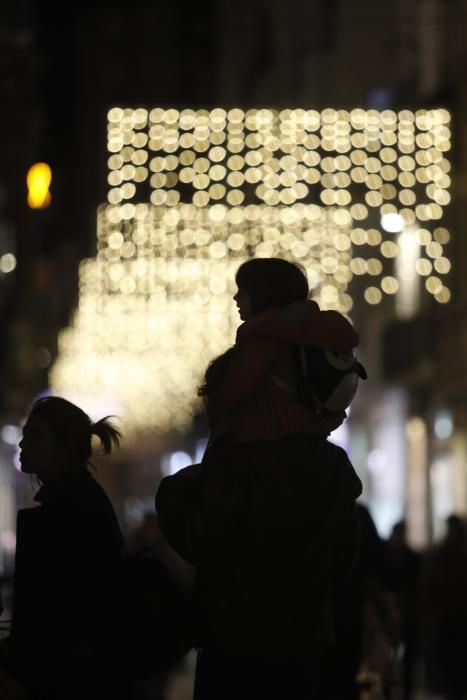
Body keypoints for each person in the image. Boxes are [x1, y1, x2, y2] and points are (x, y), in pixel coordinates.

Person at [156, 258, 364, 699]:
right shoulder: (332, 469)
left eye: (243, 290)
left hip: (239, 646)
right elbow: (343, 559)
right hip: (304, 644)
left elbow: (203, 537)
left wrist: (173, 493)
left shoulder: (242, 463)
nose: (236, 298)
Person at [0, 396, 129, 700]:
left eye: (37, 436)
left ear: (65, 449)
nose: (23, 444)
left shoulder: (70, 511)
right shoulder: (78, 500)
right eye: (25, 433)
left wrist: (24, 672)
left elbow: (59, 612)